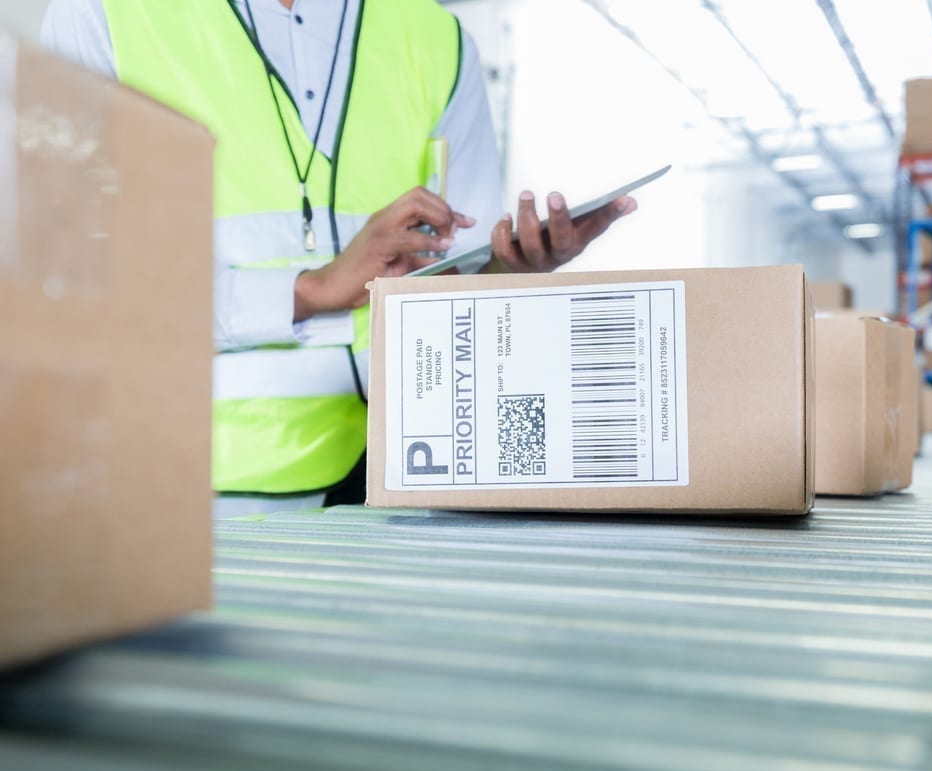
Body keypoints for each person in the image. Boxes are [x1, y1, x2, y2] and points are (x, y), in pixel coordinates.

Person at [42, 0, 636, 517]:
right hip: (190, 496)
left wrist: (515, 269)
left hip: (400, 485)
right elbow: (65, 284)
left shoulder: (438, 40)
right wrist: (313, 287)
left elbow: (454, 281)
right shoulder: (103, 14)